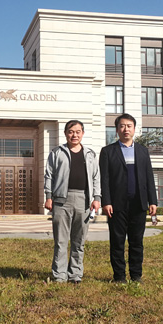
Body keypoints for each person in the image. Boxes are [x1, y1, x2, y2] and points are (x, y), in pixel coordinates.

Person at [99, 114, 157, 283]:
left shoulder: (142, 151)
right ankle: (119, 276)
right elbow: (105, 179)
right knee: (117, 242)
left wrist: (152, 201)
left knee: (136, 242)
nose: (126, 129)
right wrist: (106, 201)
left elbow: (149, 177)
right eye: (122, 126)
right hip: (116, 205)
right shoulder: (108, 151)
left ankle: (136, 275)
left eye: (129, 126)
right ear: (117, 130)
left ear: (134, 129)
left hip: (138, 204)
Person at [44, 120, 101, 283]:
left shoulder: (90, 154)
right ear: (65, 133)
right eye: (71, 131)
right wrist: (49, 196)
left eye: (77, 131)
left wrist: (97, 198)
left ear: (82, 133)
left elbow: (96, 177)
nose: (74, 135)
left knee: (79, 240)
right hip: (61, 200)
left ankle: (75, 274)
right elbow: (49, 175)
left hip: (83, 200)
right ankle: (59, 275)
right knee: (61, 241)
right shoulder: (57, 152)